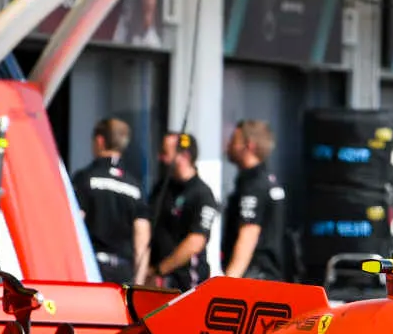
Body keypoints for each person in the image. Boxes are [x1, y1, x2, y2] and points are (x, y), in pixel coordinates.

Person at [71, 118, 153, 286]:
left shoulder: (85, 178)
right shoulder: (135, 186)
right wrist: (138, 283)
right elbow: (142, 238)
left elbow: (76, 226)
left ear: (100, 141)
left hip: (93, 267)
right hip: (123, 272)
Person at [147, 131, 218, 290]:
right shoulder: (161, 189)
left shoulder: (202, 193)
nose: (161, 158)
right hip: (155, 280)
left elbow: (195, 242)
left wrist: (159, 270)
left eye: (165, 153)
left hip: (187, 283)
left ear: (184, 156)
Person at [221, 118, 289, 280]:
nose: (229, 145)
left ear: (249, 146)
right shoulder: (268, 179)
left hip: (255, 277)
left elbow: (249, 234)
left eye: (234, 140)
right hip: (269, 275)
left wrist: (228, 283)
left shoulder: (254, 185)